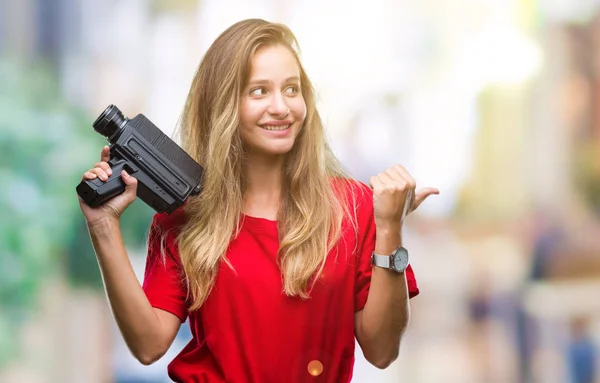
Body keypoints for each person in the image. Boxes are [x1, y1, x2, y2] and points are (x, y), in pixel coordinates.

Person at [78, 18, 438, 383]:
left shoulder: (355, 207)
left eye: (292, 89)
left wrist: (390, 227)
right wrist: (103, 227)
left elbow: (382, 350)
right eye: (259, 91)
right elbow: (148, 345)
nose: (281, 107)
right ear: (224, 106)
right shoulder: (185, 217)